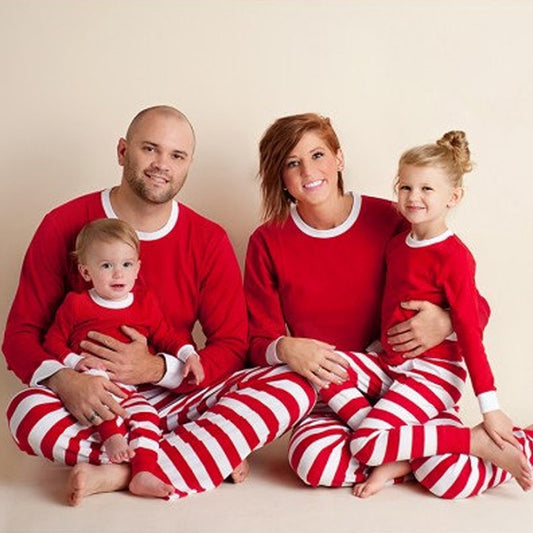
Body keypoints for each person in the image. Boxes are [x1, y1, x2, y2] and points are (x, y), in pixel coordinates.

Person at [4, 105, 316, 505]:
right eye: (149, 149)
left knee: (294, 386)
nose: (161, 165)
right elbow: (20, 335)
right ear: (122, 151)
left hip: (178, 398)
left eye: (176, 155)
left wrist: (157, 368)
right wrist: (67, 382)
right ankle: (200, 455)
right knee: (25, 413)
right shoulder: (62, 224)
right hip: (101, 403)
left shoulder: (207, 239)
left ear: (188, 165)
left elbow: (233, 345)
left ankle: (120, 472)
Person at [244, 112, 533, 498]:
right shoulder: (267, 241)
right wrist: (284, 347)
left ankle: (486, 444)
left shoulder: (393, 218)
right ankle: (421, 446)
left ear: (339, 159)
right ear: (279, 176)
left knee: (448, 477)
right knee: (313, 461)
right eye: (291, 163)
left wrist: (443, 322)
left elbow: (474, 306)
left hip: (408, 380)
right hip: (336, 387)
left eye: (317, 155)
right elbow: (255, 339)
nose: (308, 171)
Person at [43, 218, 203, 499]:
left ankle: (142, 472)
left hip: (134, 388)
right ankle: (112, 438)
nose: (118, 274)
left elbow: (167, 336)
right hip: (92, 380)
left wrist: (189, 354)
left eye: (126, 265)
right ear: (86, 271)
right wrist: (74, 362)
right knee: (97, 382)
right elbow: (52, 340)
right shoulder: (77, 304)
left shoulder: (145, 303)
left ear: (138, 268)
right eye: (106, 266)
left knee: (146, 415)